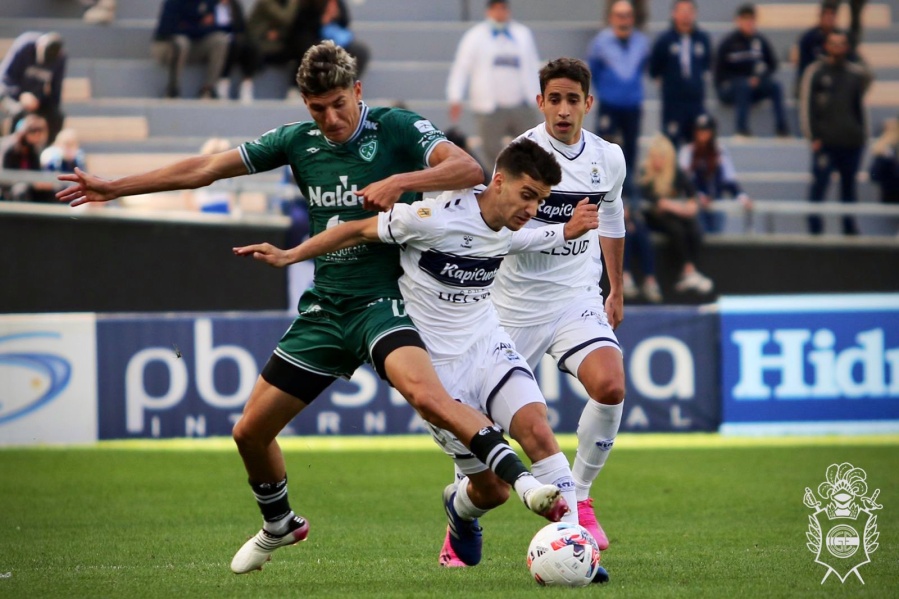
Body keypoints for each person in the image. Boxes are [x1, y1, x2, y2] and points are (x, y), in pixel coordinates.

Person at [56, 40, 566, 575]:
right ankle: (279, 524)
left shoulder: (394, 128)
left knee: (425, 393)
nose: (330, 118)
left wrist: (400, 180)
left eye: (339, 103)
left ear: (357, 91)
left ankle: (527, 482)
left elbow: (466, 167)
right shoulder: (296, 142)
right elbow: (208, 168)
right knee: (249, 433)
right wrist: (113, 187)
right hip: (325, 308)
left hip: (384, 304)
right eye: (317, 108)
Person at [235, 139, 606, 580]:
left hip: (488, 347)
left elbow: (534, 236)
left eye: (540, 200)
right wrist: (292, 254)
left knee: (538, 432)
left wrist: (569, 229)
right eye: (527, 195)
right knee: (493, 491)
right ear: (499, 181)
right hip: (438, 370)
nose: (532, 208)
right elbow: (355, 230)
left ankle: (577, 554)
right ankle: (459, 507)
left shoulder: (511, 225)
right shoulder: (434, 217)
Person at [489, 57, 626, 555]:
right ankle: (464, 513)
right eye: (555, 99)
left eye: (574, 100)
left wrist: (616, 287)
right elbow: (500, 233)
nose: (564, 110)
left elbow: (611, 219)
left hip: (575, 297)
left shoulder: (609, 158)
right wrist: (561, 231)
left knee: (610, 386)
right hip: (514, 306)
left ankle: (582, 500)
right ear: (540, 101)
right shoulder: (519, 156)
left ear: (588, 103)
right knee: (487, 442)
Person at [446, 0, 541, 168]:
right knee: (491, 150)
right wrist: (455, 96)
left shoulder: (522, 34)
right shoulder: (474, 36)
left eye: (503, 8)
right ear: (488, 11)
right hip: (490, 106)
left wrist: (539, 93)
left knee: (532, 146)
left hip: (521, 103)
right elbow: (461, 67)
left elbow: (533, 66)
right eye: (495, 9)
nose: (499, 13)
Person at [799, 30, 872, 235]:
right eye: (833, 43)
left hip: (851, 142)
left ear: (847, 47)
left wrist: (862, 137)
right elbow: (807, 107)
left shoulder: (855, 73)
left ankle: (849, 230)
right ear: (826, 46)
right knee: (819, 187)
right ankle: (815, 233)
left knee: (849, 190)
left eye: (842, 44)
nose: (837, 47)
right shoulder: (816, 71)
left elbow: (862, 100)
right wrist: (812, 136)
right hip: (825, 143)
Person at [587, 0, 649, 205]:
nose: (623, 20)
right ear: (612, 18)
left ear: (633, 18)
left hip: (632, 104)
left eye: (627, 15)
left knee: (630, 151)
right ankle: (602, 193)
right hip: (610, 104)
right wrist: (606, 91)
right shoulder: (600, 43)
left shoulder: (641, 42)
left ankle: (628, 196)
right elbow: (592, 72)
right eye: (619, 15)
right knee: (603, 149)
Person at [639, 134, 713, 294]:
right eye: (655, 157)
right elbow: (658, 204)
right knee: (676, 227)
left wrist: (680, 207)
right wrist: (682, 207)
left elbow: (692, 200)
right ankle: (688, 270)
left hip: (675, 214)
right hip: (654, 219)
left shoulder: (676, 173)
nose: (658, 161)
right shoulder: (646, 175)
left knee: (693, 227)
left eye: (662, 157)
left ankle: (690, 270)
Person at [714, 3, 789, 137]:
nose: (749, 23)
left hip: (755, 86)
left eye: (751, 20)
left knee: (776, 87)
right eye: (745, 20)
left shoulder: (760, 41)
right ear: (738, 21)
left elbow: (772, 64)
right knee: (743, 87)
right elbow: (719, 72)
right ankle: (741, 130)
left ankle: (782, 129)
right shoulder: (728, 43)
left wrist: (759, 78)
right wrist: (741, 80)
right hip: (731, 88)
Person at [649, 0, 712, 148]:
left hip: (696, 102)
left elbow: (707, 64)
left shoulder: (702, 39)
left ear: (695, 14)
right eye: (682, 12)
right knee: (671, 144)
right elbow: (654, 69)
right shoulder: (664, 40)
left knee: (698, 146)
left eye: (689, 12)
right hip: (673, 104)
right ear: (674, 14)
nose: (685, 16)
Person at [678, 114, 752, 233]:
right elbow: (683, 182)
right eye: (700, 131)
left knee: (717, 239)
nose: (703, 135)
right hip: (695, 206)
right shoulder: (687, 152)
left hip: (717, 204)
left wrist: (742, 196)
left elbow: (729, 180)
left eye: (706, 131)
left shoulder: (720, 151)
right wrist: (698, 196)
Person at [151, 0, 231, 98]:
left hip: (194, 45)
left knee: (220, 40)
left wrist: (187, 26)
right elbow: (168, 29)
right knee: (181, 43)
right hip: (167, 46)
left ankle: (208, 89)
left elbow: (215, 27)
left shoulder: (209, 2)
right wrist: (199, 26)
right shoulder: (174, 3)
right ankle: (172, 89)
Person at [0, 31, 66, 144]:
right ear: (39, 46)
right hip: (12, 94)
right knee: (18, 112)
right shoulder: (25, 45)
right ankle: (12, 150)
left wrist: (40, 101)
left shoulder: (60, 59)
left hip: (36, 99)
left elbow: (56, 90)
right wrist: (21, 95)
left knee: (56, 116)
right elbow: (5, 77)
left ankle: (45, 152)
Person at [795, 1, 858, 98]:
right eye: (826, 15)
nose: (829, 19)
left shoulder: (843, 37)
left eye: (832, 15)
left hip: (839, 79)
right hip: (815, 79)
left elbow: (852, 62)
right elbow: (804, 67)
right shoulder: (809, 38)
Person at [1, 114, 55, 203]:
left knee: (51, 192)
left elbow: (36, 172)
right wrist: (29, 182)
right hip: (12, 188)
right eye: (34, 133)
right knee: (21, 190)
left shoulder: (34, 150)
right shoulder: (10, 149)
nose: (37, 137)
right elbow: (6, 176)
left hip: (30, 185)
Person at [213, 0, 259, 103]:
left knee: (252, 48)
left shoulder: (235, 6)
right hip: (216, 38)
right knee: (231, 46)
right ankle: (223, 81)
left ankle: (246, 83)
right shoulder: (211, 5)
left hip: (234, 39)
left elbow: (241, 27)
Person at [320, 0, 370, 80]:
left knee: (359, 52)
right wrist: (323, 19)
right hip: (315, 41)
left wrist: (336, 14)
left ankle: (347, 84)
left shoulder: (336, 3)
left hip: (336, 43)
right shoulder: (309, 5)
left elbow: (345, 22)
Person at [869, 117, 899, 206]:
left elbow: (874, 175)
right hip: (891, 193)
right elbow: (874, 175)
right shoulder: (885, 151)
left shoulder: (884, 150)